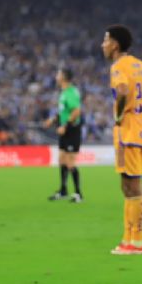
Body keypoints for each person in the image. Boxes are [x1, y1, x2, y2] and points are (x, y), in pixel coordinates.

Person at [102, 25, 142, 256]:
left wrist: (118, 114)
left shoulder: (119, 67)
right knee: (128, 184)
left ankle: (136, 241)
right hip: (140, 130)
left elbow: (123, 89)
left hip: (128, 132)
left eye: (105, 40)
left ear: (115, 44)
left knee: (133, 185)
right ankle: (129, 239)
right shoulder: (140, 65)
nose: (103, 45)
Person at [45, 68, 83, 202]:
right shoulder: (64, 93)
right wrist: (53, 119)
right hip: (64, 129)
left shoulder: (71, 92)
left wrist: (65, 126)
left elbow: (76, 111)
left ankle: (78, 194)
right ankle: (63, 190)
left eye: (58, 74)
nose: (56, 77)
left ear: (64, 77)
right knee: (61, 159)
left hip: (71, 129)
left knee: (70, 162)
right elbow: (64, 111)